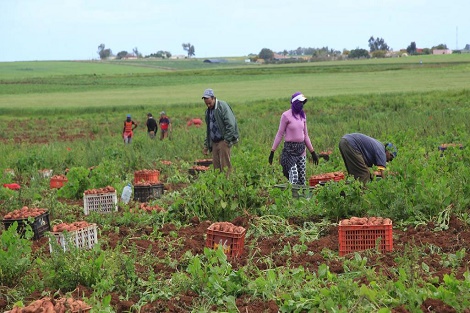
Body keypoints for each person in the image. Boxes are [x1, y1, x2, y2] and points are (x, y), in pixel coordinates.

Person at [269, 91, 319, 185]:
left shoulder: (302, 116)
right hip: (289, 151)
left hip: (301, 150)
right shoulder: (286, 116)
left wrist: (312, 152)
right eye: (300, 103)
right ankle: (291, 197)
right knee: (294, 177)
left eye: (303, 103)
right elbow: (280, 134)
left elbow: (306, 136)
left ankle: (301, 198)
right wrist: (272, 151)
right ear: (295, 103)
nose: (302, 105)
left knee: (302, 179)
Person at [202, 88, 239, 172]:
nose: (208, 105)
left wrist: (227, 140)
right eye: (206, 104)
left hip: (223, 140)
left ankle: (227, 184)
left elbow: (231, 124)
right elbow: (209, 130)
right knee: (216, 168)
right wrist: (206, 145)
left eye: (209, 103)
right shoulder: (207, 112)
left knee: (225, 166)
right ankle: (219, 185)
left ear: (213, 98)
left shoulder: (222, 106)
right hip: (214, 142)